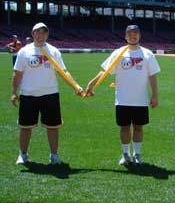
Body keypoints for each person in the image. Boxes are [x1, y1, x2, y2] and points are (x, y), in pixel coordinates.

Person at [85, 25, 160, 166]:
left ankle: (137, 154)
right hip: (122, 99)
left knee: (138, 127)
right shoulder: (118, 53)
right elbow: (106, 71)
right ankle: (125, 155)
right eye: (130, 34)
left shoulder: (148, 54)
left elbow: (153, 76)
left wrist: (155, 95)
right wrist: (92, 83)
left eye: (135, 33)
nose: (133, 36)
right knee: (124, 127)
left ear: (139, 35)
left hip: (140, 100)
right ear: (125, 36)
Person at [11, 22, 83, 165]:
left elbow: (63, 72)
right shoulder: (24, 52)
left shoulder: (54, 51)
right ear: (33, 34)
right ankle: (23, 155)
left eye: (44, 32)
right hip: (28, 95)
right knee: (25, 128)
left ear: (47, 34)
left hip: (50, 94)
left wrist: (76, 87)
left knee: (53, 127)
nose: (41, 35)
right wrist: (14, 92)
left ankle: (54, 155)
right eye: (38, 32)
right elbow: (17, 73)